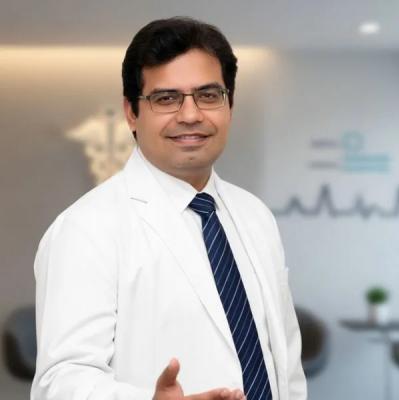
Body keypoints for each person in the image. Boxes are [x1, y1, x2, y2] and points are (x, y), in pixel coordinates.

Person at [31, 17, 307, 400]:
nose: (191, 115)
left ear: (230, 104)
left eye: (208, 95)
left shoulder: (255, 215)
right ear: (132, 112)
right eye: (166, 99)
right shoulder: (85, 229)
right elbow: (60, 382)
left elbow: (285, 362)